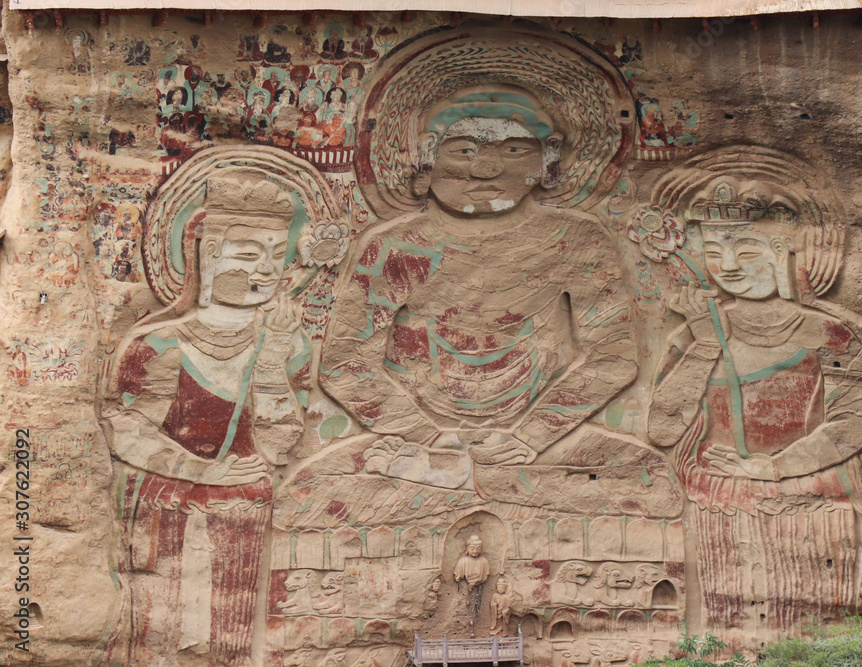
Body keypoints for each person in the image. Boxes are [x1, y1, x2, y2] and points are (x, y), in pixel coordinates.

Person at [320, 85, 636, 491]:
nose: (485, 170)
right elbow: (344, 362)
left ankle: (466, 479)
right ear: (428, 155)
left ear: (550, 157)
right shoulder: (396, 246)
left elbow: (613, 358)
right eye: (464, 151)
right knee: (316, 486)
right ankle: (462, 477)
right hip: (414, 436)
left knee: (644, 476)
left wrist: (531, 437)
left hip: (537, 438)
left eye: (514, 150)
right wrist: (428, 438)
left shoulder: (575, 239)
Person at [645, 147, 862, 644]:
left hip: (811, 504)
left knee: (817, 635)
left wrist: (773, 467)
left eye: (747, 253)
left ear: (785, 253)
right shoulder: (695, 334)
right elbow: (662, 430)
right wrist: (706, 345)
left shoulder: (836, 334)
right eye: (714, 254)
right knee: (729, 636)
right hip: (719, 504)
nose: (729, 267)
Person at [103, 176, 311, 665]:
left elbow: (279, 447)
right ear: (209, 254)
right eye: (247, 254)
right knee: (164, 639)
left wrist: (270, 359)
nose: (266, 270)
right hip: (169, 507)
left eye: (276, 255)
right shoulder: (161, 343)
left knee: (229, 642)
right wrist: (203, 471)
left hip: (246, 512)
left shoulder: (288, 344)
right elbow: (125, 430)